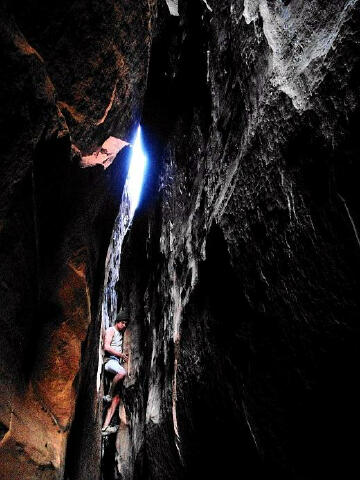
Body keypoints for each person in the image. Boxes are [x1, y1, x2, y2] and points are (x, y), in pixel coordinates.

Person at [101, 310, 128, 435]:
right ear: (117, 321)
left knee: (117, 399)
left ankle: (105, 427)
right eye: (122, 322)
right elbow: (106, 347)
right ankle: (109, 395)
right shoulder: (111, 330)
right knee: (122, 372)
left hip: (116, 363)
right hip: (110, 362)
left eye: (126, 323)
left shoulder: (121, 334)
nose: (124, 325)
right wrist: (120, 354)